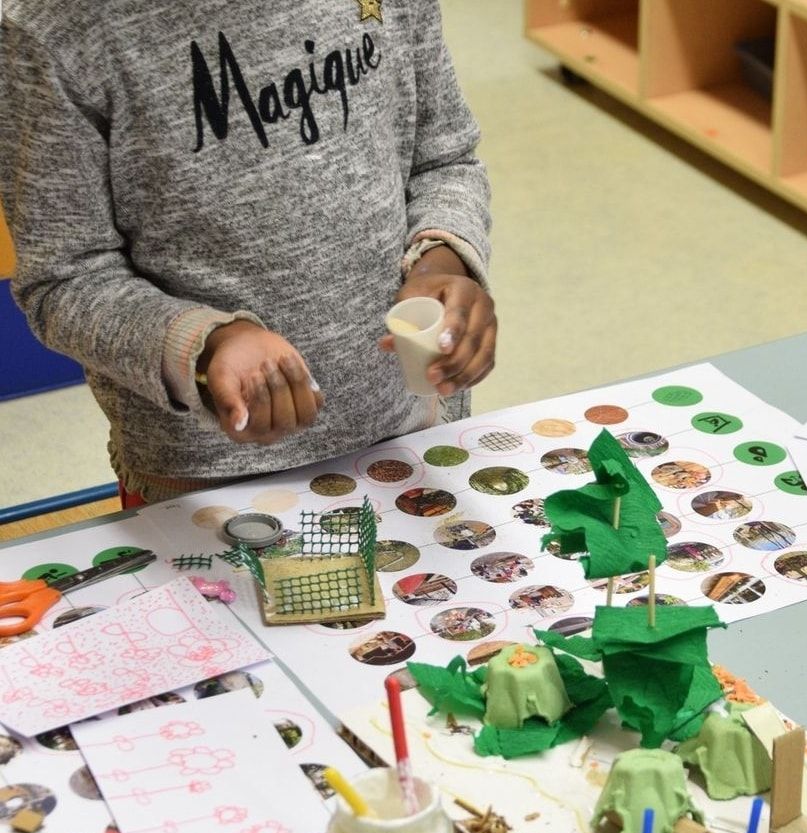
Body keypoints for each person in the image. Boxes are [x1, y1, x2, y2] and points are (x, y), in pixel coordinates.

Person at [0, 0, 495, 504]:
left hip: (410, 435)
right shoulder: (53, 29)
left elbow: (444, 157)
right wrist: (208, 342)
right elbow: (65, 280)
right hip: (208, 483)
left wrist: (443, 259)